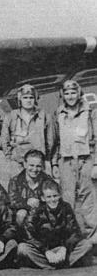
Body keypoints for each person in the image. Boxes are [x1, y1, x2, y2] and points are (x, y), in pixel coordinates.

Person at [51, 79, 97, 238]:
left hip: (86, 159)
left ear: (79, 94)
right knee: (68, 199)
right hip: (66, 161)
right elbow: (55, 141)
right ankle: (72, 237)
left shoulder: (90, 111)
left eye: (74, 92)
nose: (70, 96)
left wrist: (96, 163)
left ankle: (93, 238)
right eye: (67, 93)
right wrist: (54, 164)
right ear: (63, 95)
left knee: (89, 200)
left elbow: (96, 137)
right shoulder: (58, 113)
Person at [17, 179, 93, 269]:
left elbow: (75, 232)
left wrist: (64, 248)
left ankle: (54, 264)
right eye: (48, 197)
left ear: (60, 195)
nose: (52, 200)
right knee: (22, 248)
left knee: (87, 244)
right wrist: (46, 251)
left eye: (55, 196)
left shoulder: (66, 207)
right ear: (42, 198)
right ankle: (57, 264)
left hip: (62, 249)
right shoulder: (36, 210)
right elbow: (28, 235)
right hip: (44, 251)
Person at [0, 84, 54, 179]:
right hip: (18, 161)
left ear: (35, 99)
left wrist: (45, 157)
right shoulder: (11, 116)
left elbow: (50, 140)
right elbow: (5, 139)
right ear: (20, 99)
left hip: (37, 161)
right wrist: (10, 156)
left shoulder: (44, 116)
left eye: (31, 97)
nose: (28, 100)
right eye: (25, 97)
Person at [8, 150, 53, 228]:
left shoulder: (48, 181)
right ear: (25, 164)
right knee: (21, 213)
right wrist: (26, 203)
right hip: (23, 216)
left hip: (42, 215)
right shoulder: (15, 181)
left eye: (38, 166)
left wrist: (41, 203)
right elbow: (12, 202)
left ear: (42, 166)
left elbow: (54, 200)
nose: (35, 169)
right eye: (31, 165)